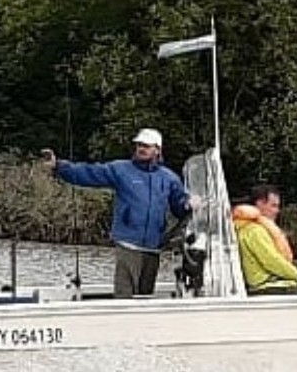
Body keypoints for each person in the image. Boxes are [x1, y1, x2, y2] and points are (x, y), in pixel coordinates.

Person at [42, 128, 193, 298]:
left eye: (146, 146)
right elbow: (89, 172)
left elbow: (179, 206)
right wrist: (59, 166)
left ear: (157, 150)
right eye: (138, 145)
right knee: (125, 294)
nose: (141, 149)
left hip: (153, 248)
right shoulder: (121, 169)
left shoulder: (169, 178)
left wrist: (188, 204)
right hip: (127, 243)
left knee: (146, 297)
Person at [232, 184, 297, 294]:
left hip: (274, 282)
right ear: (260, 204)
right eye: (273, 206)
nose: (277, 211)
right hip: (267, 286)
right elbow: (272, 261)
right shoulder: (253, 230)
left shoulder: (249, 227)